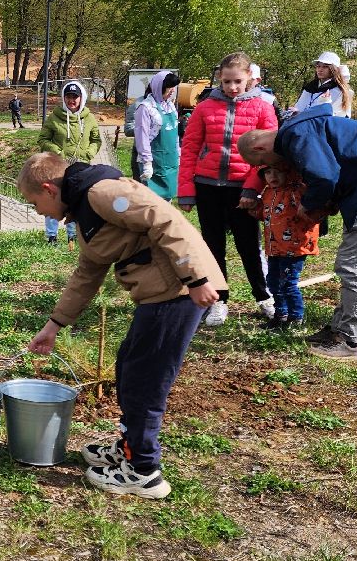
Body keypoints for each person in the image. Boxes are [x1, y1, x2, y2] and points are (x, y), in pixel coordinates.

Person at [18, 152, 223, 499]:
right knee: (129, 368)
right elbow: (88, 271)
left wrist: (197, 276)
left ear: (50, 189)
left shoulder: (101, 193)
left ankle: (143, 471)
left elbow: (166, 220)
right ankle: (129, 447)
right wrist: (54, 325)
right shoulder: (84, 211)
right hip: (160, 295)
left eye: (33, 202)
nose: (36, 211)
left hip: (178, 293)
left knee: (144, 382)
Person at [239, 106, 357, 360]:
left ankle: (349, 340)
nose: (272, 166)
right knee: (349, 260)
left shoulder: (296, 135)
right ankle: (338, 328)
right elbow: (333, 172)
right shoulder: (301, 130)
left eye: (263, 163)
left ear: (259, 150)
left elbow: (324, 177)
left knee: (355, 265)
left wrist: (308, 206)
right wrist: (325, 205)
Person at [177, 52, 279, 326]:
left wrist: (251, 189)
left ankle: (263, 296)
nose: (232, 87)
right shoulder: (204, 108)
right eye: (226, 82)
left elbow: (267, 155)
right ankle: (219, 301)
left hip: (242, 189)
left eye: (237, 81)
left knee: (249, 246)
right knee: (213, 246)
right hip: (208, 186)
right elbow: (189, 150)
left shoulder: (262, 108)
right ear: (219, 79)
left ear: (249, 79)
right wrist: (186, 190)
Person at [251, 164, 319, 329]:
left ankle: (296, 318)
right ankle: (281, 315)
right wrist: (253, 208)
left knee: (288, 283)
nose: (272, 176)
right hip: (274, 247)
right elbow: (264, 214)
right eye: (268, 172)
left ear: (289, 173)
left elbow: (313, 214)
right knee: (273, 282)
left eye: (278, 171)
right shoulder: (267, 192)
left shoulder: (297, 191)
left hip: (294, 247)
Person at [37, 81, 101, 245]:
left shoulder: (89, 118)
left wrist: (89, 152)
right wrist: (57, 151)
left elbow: (96, 140)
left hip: (81, 167)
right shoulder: (54, 117)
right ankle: (51, 236)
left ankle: (72, 234)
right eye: (68, 96)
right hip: (58, 167)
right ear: (63, 98)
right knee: (54, 200)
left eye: (75, 97)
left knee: (76, 201)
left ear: (82, 98)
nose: (71, 100)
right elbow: (43, 139)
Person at [132, 70, 180, 200]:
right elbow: (142, 137)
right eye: (169, 87)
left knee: (167, 200)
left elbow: (175, 136)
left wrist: (178, 155)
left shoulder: (170, 107)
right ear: (159, 86)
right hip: (153, 163)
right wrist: (147, 163)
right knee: (150, 201)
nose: (172, 91)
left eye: (173, 87)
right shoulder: (146, 108)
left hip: (170, 162)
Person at [288, 52, 350, 118]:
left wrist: (325, 103)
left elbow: (335, 118)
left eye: (325, 67)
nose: (320, 69)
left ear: (333, 69)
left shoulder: (339, 91)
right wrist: (295, 112)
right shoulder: (310, 87)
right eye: (318, 66)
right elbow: (299, 108)